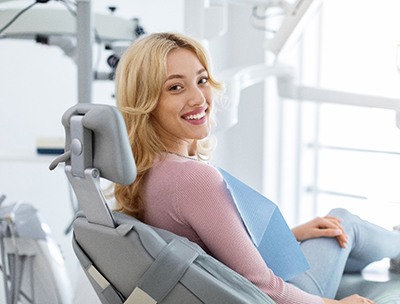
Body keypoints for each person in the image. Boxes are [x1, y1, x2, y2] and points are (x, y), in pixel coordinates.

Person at [113, 32, 400, 304]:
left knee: (332, 232)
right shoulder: (193, 178)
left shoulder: (144, 170)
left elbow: (210, 248)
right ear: (146, 102)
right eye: (175, 87)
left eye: (201, 80)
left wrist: (294, 235)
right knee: (343, 221)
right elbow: (263, 288)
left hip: (233, 286)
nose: (199, 99)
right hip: (285, 294)